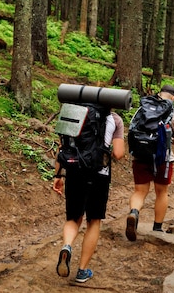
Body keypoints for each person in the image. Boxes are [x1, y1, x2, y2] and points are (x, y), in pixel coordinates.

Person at [52, 110, 125, 283]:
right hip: (99, 175)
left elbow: (63, 146)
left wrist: (57, 176)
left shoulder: (74, 111)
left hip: (74, 171)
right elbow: (119, 153)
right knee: (94, 220)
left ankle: (67, 245)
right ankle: (82, 271)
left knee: (72, 218)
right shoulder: (115, 119)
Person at [125, 84, 174, 240]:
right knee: (161, 192)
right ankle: (157, 228)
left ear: (159, 94)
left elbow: (132, 131)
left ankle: (134, 213)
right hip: (163, 159)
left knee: (140, 191)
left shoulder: (142, 109)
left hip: (140, 155)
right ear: (173, 97)